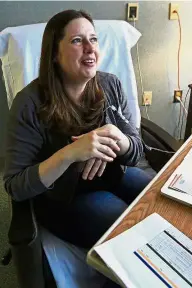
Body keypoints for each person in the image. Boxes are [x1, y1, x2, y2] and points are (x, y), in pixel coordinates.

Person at [3, 9, 152, 251]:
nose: (90, 48)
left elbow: (136, 151)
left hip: (114, 174)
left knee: (161, 205)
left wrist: (119, 139)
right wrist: (71, 153)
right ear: (54, 54)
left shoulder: (110, 85)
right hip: (66, 197)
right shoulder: (29, 104)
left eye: (93, 39)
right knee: (127, 231)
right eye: (76, 40)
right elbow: (16, 186)